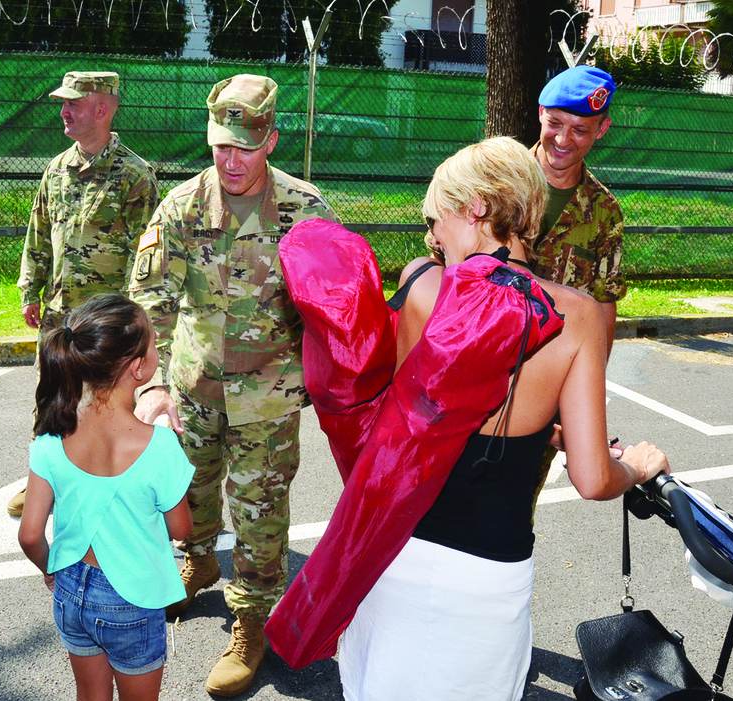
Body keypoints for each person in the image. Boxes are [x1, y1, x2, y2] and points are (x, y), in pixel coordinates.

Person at [280, 136, 668, 700]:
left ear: (476, 209)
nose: (431, 236)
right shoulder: (577, 316)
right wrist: (634, 466)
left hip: (395, 549)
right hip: (490, 574)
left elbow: (418, 412)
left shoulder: (420, 284)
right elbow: (591, 479)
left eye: (436, 218)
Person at [128, 73, 339, 697]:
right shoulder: (183, 206)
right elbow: (148, 300)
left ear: (270, 140)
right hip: (193, 389)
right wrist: (154, 385)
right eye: (221, 144)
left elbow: (339, 305)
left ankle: (250, 620)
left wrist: (319, 382)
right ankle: (197, 562)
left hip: (267, 399)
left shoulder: (305, 211)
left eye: (245, 147)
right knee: (189, 492)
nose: (231, 159)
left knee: (259, 513)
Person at [17, 294, 194, 701]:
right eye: (152, 341)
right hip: (132, 599)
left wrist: (51, 572)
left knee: (90, 696)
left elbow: (29, 535)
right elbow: (182, 529)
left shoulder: (51, 435)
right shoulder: (161, 446)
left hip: (70, 586)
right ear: (139, 367)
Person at [9, 70, 160, 518]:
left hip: (106, 326)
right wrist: (28, 287)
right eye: (64, 103)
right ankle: (44, 479)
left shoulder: (134, 175)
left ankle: (116, 482)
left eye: (73, 103)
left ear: (103, 109)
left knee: (108, 405)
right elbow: (38, 231)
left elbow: (149, 254)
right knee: (51, 399)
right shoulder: (57, 169)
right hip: (60, 316)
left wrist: (138, 319)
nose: (64, 111)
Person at [532, 64, 624, 357]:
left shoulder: (604, 210)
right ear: (540, 113)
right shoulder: (495, 182)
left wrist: (594, 376)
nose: (562, 140)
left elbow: (604, 300)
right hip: (483, 366)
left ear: (602, 130)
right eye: (555, 123)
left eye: (580, 130)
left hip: (555, 369)